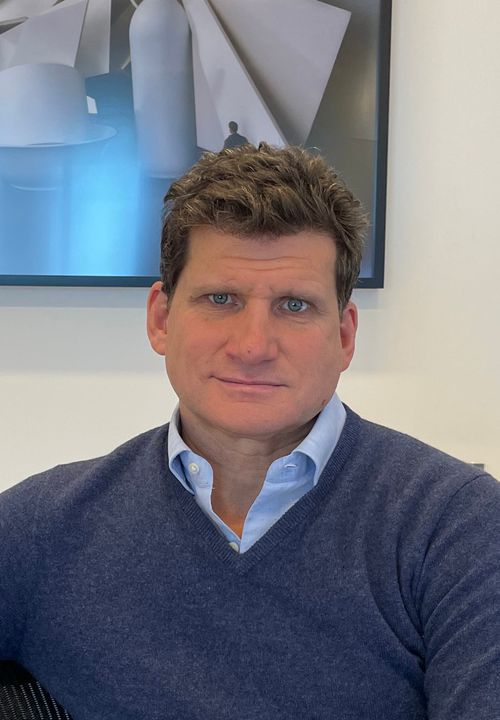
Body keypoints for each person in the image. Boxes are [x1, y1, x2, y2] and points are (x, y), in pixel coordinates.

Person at [1, 144, 499, 720]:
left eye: (294, 305)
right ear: (161, 319)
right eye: (221, 299)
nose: (253, 346)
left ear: (344, 336)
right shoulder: (40, 529)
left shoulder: (457, 527)